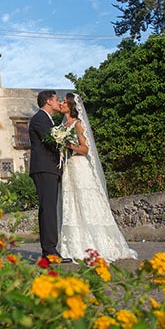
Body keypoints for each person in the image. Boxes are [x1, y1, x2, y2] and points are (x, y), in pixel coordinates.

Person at [57, 94, 137, 262]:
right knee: (71, 203)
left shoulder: (78, 124)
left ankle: (98, 244)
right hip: (68, 168)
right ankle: (74, 247)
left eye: (64, 101)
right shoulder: (62, 126)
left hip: (80, 167)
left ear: (71, 106)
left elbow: (85, 149)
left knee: (86, 201)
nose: (61, 103)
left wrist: (67, 144)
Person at [28, 90, 62, 259]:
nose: (58, 102)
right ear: (49, 101)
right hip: (44, 168)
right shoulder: (39, 119)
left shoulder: (46, 119)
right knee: (48, 209)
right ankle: (49, 250)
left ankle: (49, 249)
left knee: (49, 208)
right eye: (56, 99)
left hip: (49, 168)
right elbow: (52, 143)